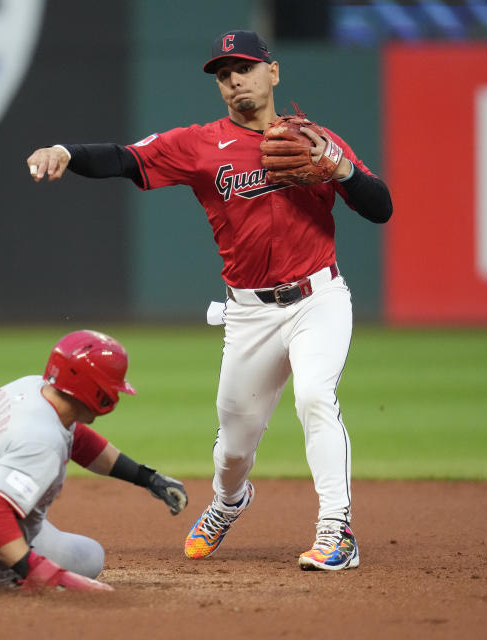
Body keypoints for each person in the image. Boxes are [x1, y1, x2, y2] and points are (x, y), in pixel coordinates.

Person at [24, 30, 392, 571]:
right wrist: (65, 152)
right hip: (248, 312)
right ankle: (227, 502)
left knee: (315, 396)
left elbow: (379, 208)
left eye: (244, 67)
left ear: (273, 72)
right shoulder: (199, 144)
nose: (234, 79)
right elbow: (126, 159)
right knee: (233, 447)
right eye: (224, 73)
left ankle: (337, 530)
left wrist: (343, 169)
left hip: (319, 297)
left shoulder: (316, 141)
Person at [0, 329, 188, 590]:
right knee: (91, 556)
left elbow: (78, 440)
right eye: (112, 387)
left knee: (24, 514)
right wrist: (36, 571)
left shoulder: (31, 389)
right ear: (96, 391)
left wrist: (146, 477)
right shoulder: (42, 443)